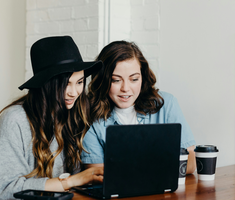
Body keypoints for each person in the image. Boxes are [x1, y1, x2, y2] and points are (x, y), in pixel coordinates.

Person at [0, 36, 104, 200]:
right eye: (66, 84)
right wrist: (70, 181)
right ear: (47, 83)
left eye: (80, 82)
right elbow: (6, 191)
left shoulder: (73, 114)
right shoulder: (14, 120)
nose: (74, 92)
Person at [81, 41, 196, 174]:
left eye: (134, 79)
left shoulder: (166, 104)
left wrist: (134, 169)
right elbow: (95, 173)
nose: (125, 88)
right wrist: (158, 164)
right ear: (103, 80)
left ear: (143, 77)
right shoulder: (90, 116)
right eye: (116, 80)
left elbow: (191, 161)